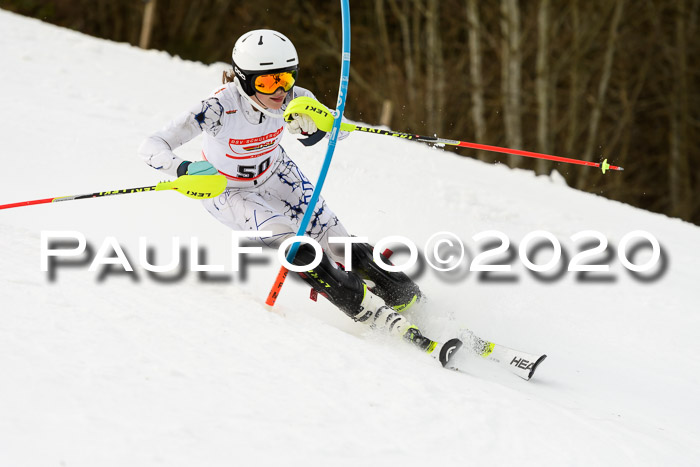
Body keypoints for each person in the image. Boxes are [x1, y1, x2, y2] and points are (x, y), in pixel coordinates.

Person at [138, 29, 456, 363]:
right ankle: (375, 315)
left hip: (278, 173)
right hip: (228, 190)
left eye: (286, 77)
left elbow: (341, 129)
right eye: (266, 83)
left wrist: (318, 125)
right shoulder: (218, 107)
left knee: (344, 244)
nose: (280, 90)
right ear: (244, 81)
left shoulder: (294, 96)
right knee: (299, 248)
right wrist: (183, 170)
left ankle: (414, 303)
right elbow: (151, 146)